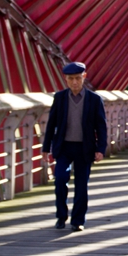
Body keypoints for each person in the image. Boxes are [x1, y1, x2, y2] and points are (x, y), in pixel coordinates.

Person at [42, 61, 108, 232]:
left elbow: (101, 126)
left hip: (84, 148)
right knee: (60, 180)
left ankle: (77, 221)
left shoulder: (94, 100)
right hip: (63, 147)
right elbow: (51, 124)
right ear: (66, 79)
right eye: (70, 79)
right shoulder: (60, 98)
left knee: (81, 186)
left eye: (78, 78)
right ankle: (61, 216)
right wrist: (46, 148)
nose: (74, 82)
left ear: (84, 77)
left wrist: (100, 149)